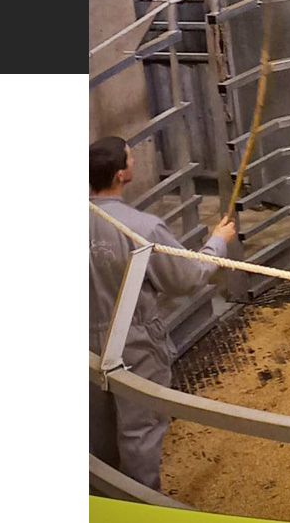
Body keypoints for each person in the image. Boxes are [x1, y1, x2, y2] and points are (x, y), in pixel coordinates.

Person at [88, 136, 236, 491]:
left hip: (81, 343)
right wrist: (218, 241)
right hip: (132, 343)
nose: (134, 163)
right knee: (140, 434)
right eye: (131, 159)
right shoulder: (144, 228)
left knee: (95, 436)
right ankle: (141, 508)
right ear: (121, 174)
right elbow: (184, 278)